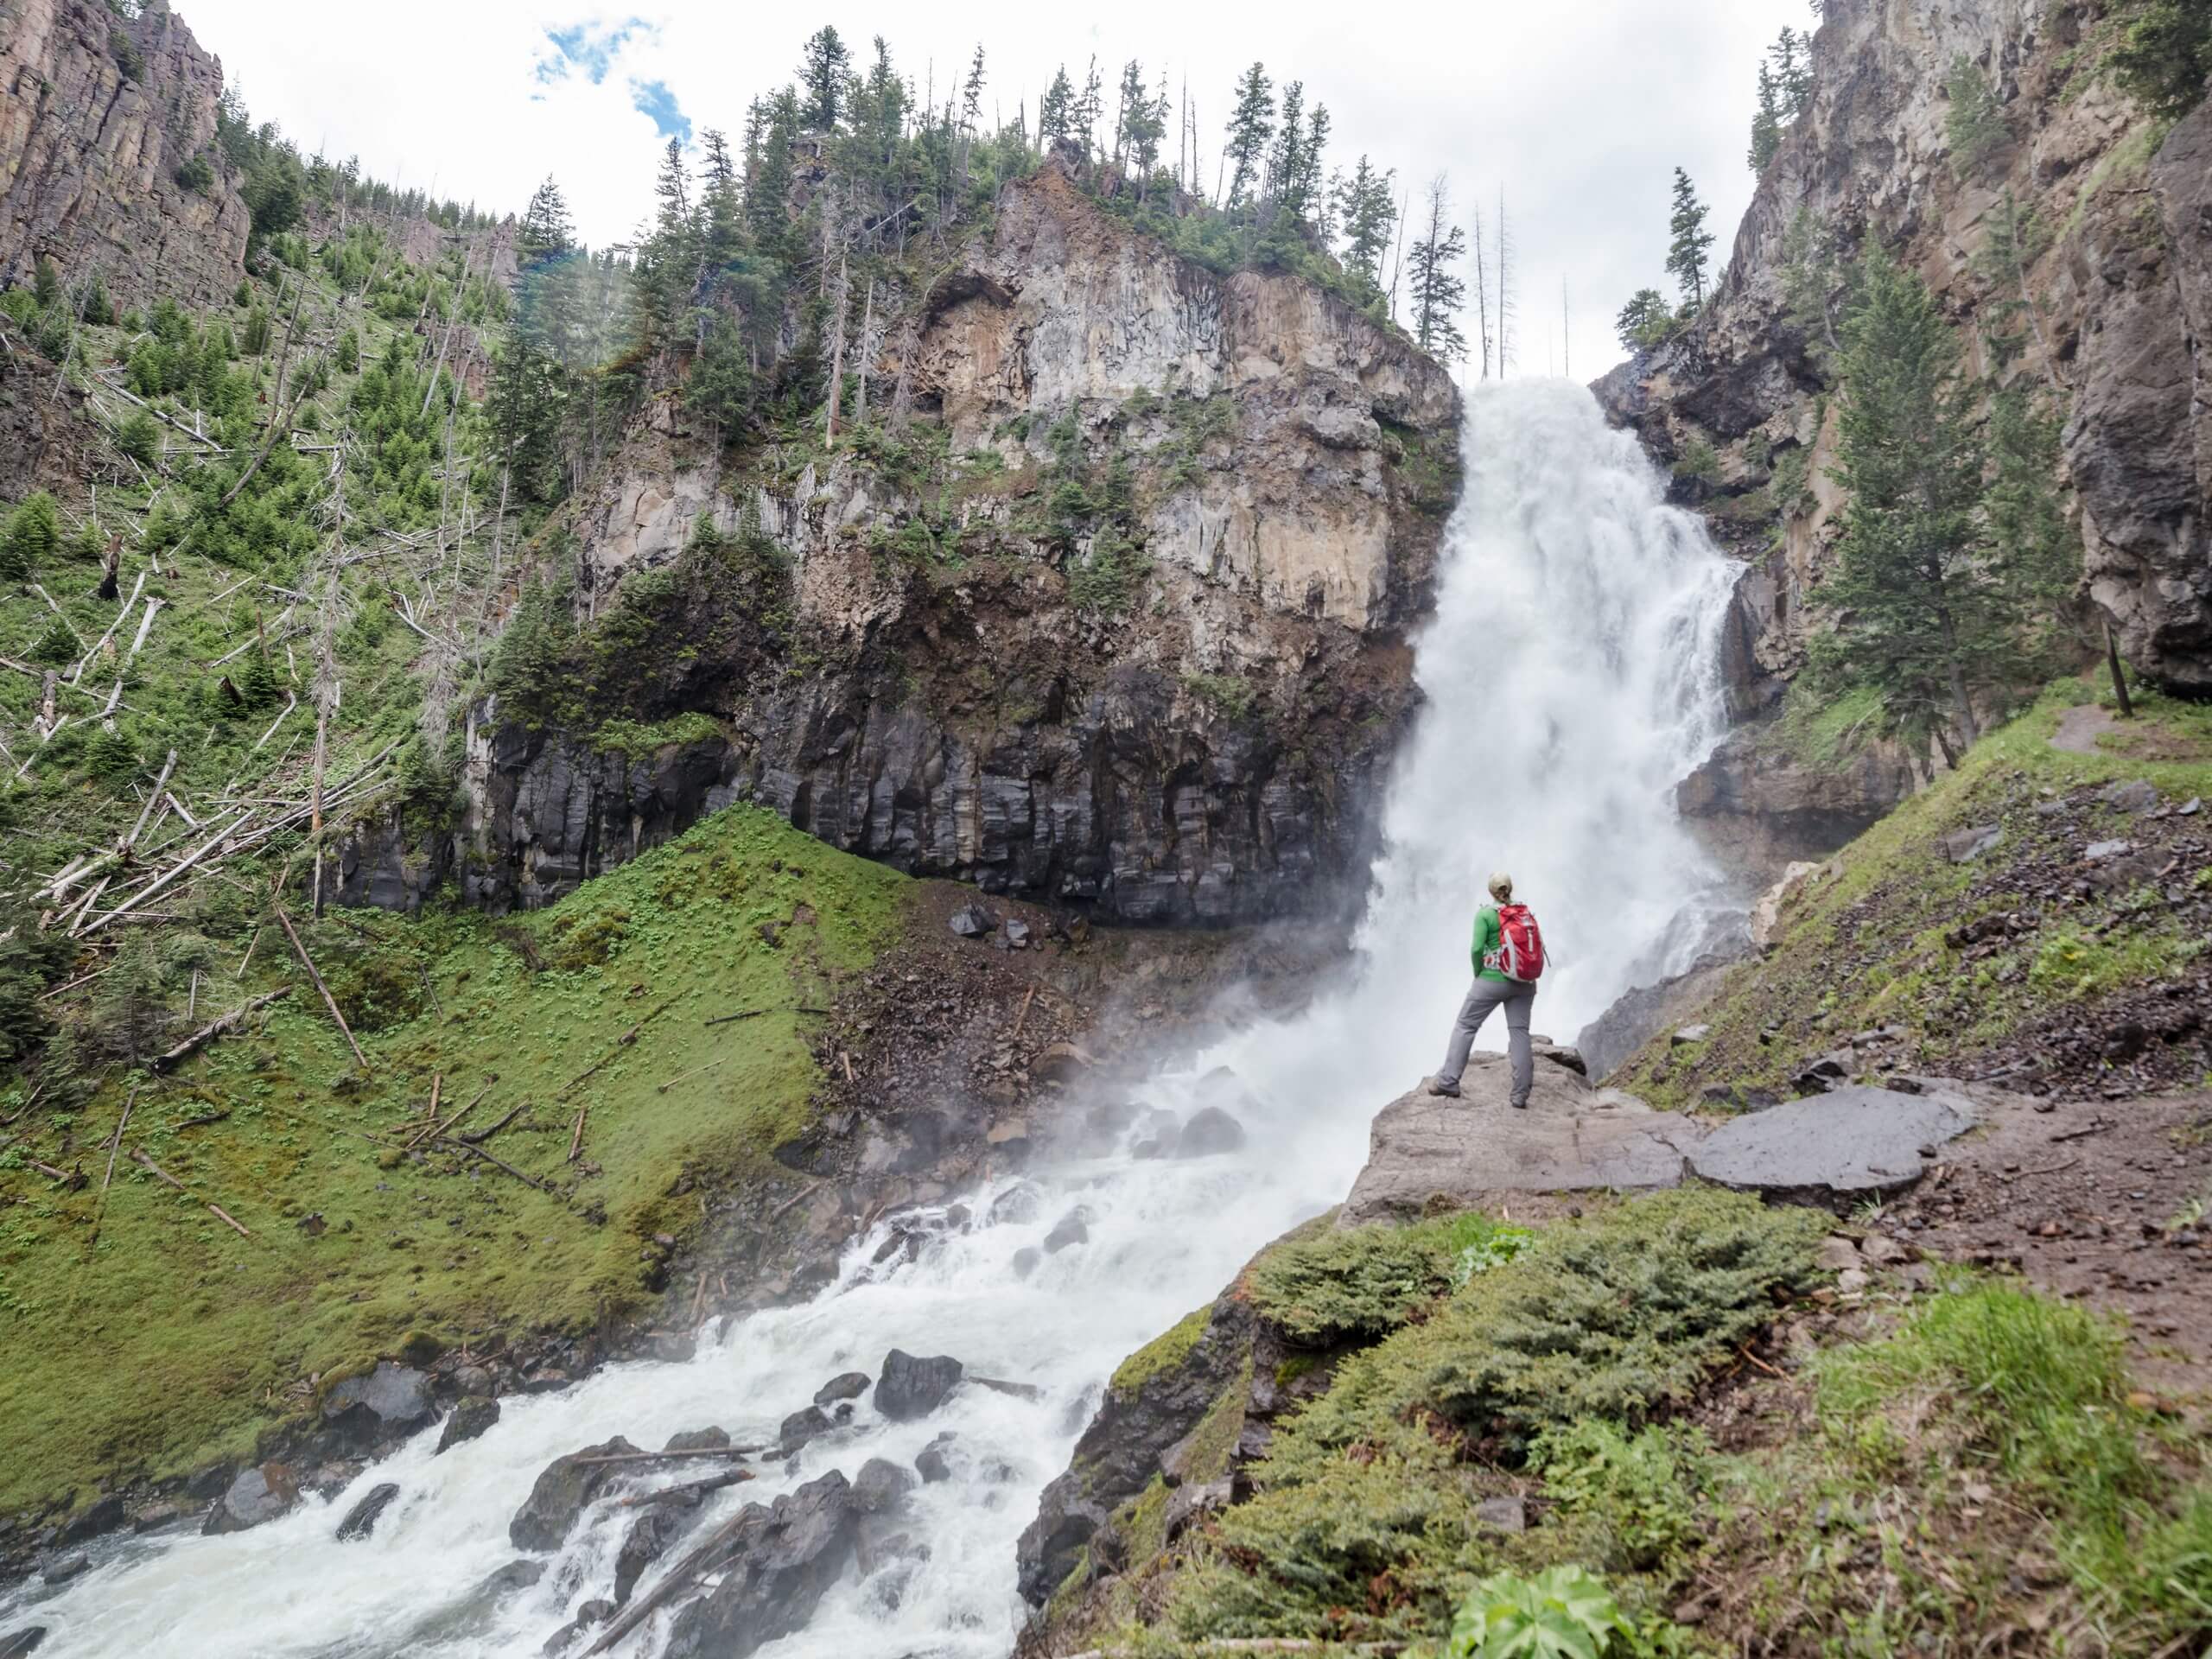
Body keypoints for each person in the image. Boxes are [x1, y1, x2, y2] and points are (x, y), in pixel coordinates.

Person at [1428, 872, 1535, 1108]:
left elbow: (1477, 948)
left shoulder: (1486, 914)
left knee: (1466, 1026)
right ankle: (1520, 1095)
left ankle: (1448, 1081)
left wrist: (1478, 972)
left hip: (1492, 980)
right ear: (1510, 888)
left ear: (1491, 891)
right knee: (1519, 1032)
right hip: (1525, 982)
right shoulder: (1524, 912)